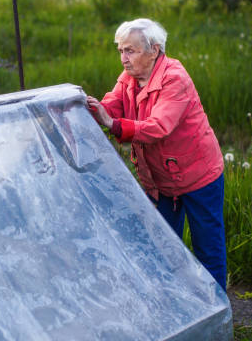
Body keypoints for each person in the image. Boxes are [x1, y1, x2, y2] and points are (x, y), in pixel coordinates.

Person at [86, 18, 227, 290]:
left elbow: (158, 126)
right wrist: (84, 110)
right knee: (162, 246)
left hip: (199, 176)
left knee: (207, 247)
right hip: (161, 180)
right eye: (120, 51)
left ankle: (218, 310)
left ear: (154, 50)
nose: (124, 59)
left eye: (131, 51)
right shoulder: (129, 77)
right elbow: (112, 104)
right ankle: (175, 303)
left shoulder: (175, 78)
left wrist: (112, 124)